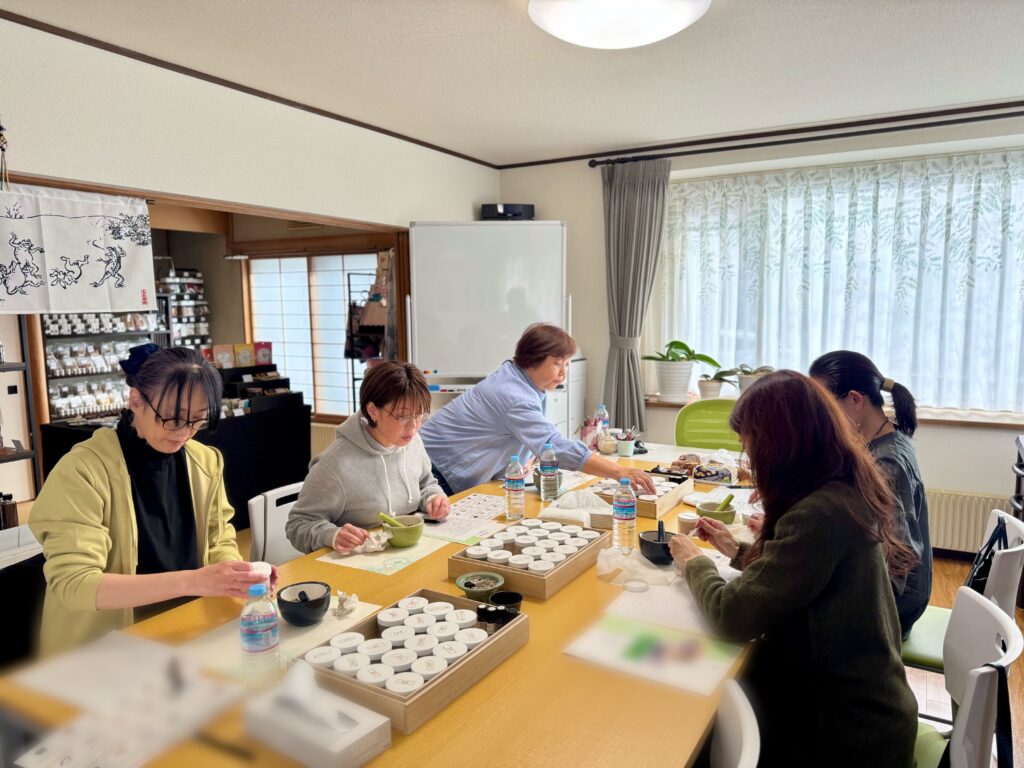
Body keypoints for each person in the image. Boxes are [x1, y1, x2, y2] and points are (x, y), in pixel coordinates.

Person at [669, 371, 918, 767]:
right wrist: (736, 550)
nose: (750, 461)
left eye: (751, 448)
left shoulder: (820, 514)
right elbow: (799, 572)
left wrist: (693, 561)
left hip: (847, 736)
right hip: (861, 711)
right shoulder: (838, 488)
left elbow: (731, 615)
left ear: (780, 446)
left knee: (694, 721)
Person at [29, 344, 265, 657]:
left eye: (197, 421)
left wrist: (235, 575)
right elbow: (75, 584)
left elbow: (218, 539)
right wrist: (195, 581)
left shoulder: (205, 462)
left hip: (184, 628)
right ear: (136, 400)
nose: (184, 433)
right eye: (172, 419)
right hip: (101, 652)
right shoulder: (83, 471)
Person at [419, 323, 655, 496]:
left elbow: (523, 437)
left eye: (566, 365)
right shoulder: (513, 395)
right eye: (557, 363)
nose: (563, 374)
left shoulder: (519, 379)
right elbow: (553, 446)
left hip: (442, 466)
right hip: (433, 468)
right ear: (533, 359)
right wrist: (618, 471)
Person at [809, 350, 932, 639]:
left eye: (823, 405)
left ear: (854, 400)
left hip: (892, 609)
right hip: (886, 591)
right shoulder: (881, 436)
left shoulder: (888, 462)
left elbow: (897, 560)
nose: (820, 416)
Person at [286, 361, 449, 554]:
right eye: (403, 416)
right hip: (359, 561)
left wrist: (434, 497)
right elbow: (298, 524)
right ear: (372, 411)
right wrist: (332, 535)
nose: (413, 427)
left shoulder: (412, 441)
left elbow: (426, 483)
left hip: (405, 552)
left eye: (420, 415)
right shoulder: (336, 465)